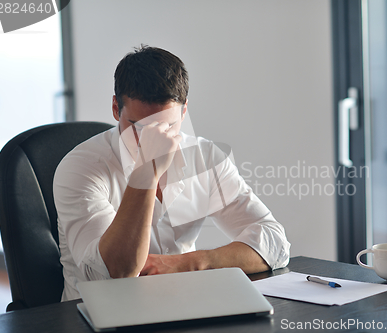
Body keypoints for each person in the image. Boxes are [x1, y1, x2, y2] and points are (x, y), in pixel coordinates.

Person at [53, 45, 290, 301]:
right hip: (97, 313)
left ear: (184, 111)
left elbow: (275, 243)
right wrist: (146, 171)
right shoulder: (80, 167)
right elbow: (116, 273)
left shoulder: (205, 157)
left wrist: (188, 263)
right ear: (115, 108)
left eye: (167, 126)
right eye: (138, 127)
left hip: (183, 304)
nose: (151, 140)